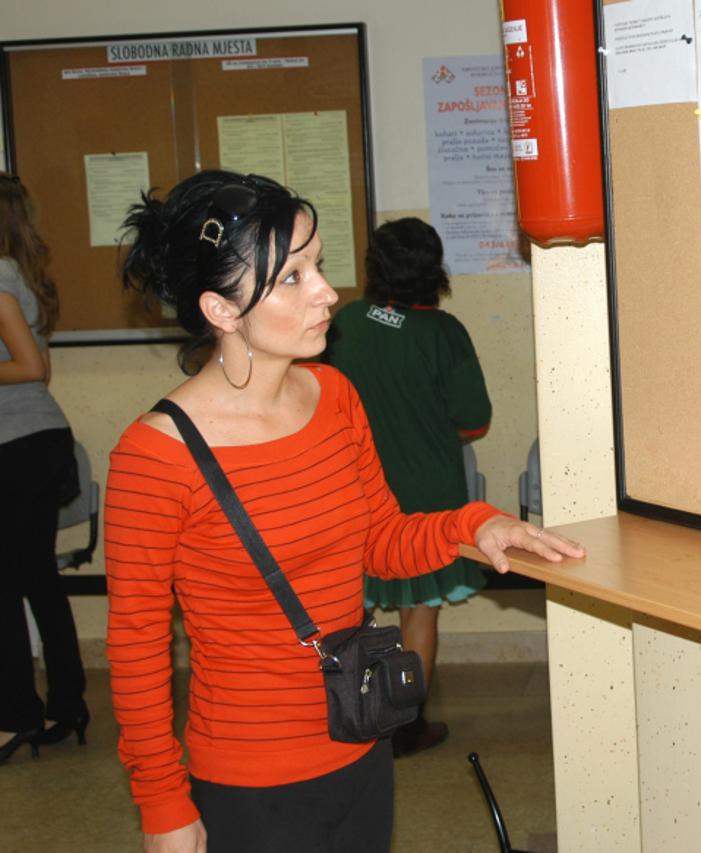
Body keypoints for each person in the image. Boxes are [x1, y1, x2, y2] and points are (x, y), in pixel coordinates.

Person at [105, 170, 582, 853]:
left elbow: (380, 540)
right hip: (249, 779)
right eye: (292, 277)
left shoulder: (334, 395)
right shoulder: (155, 455)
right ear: (221, 310)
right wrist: (162, 806)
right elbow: (137, 646)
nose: (327, 291)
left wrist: (473, 524)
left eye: (319, 265)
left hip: (359, 740)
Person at [326, 217, 490, 757]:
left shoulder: (345, 323)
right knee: (419, 610)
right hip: (426, 494)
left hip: (353, 487)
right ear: (434, 270)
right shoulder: (444, 333)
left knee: (349, 608)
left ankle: (350, 716)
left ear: (374, 268)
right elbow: (474, 421)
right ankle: (406, 726)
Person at [0, 172, 89, 766]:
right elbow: (42, 367)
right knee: (36, 579)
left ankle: (16, 718)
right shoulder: (18, 273)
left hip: (18, 446)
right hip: (36, 442)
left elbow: (30, 369)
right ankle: (67, 705)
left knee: (7, 585)